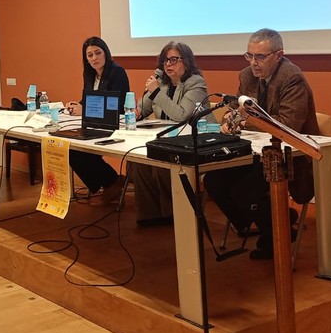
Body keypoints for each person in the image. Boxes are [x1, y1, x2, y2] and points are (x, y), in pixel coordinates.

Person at [203, 28, 320, 259]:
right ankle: (269, 221)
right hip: (254, 152)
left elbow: (287, 124)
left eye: (260, 57)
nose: (253, 63)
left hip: (289, 156)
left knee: (245, 190)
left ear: (279, 55)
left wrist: (244, 121)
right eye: (249, 56)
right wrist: (228, 120)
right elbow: (235, 109)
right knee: (213, 180)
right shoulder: (247, 76)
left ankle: (276, 232)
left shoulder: (292, 78)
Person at [129, 41, 206, 225]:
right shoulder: (162, 83)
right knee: (138, 160)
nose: (168, 65)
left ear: (186, 61)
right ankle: (150, 215)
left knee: (161, 163)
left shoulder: (195, 83)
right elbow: (143, 109)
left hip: (192, 141)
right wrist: (137, 112)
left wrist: (156, 92)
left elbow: (181, 115)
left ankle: (174, 213)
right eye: (165, 61)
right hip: (167, 139)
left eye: (173, 60)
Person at [66, 36, 130, 204]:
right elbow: (87, 100)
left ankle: (111, 183)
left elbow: (115, 106)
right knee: (70, 147)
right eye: (90, 55)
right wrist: (76, 106)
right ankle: (112, 181)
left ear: (106, 53)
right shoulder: (89, 74)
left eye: (98, 53)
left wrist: (85, 110)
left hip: (115, 125)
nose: (94, 58)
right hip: (94, 124)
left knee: (78, 151)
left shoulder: (117, 72)